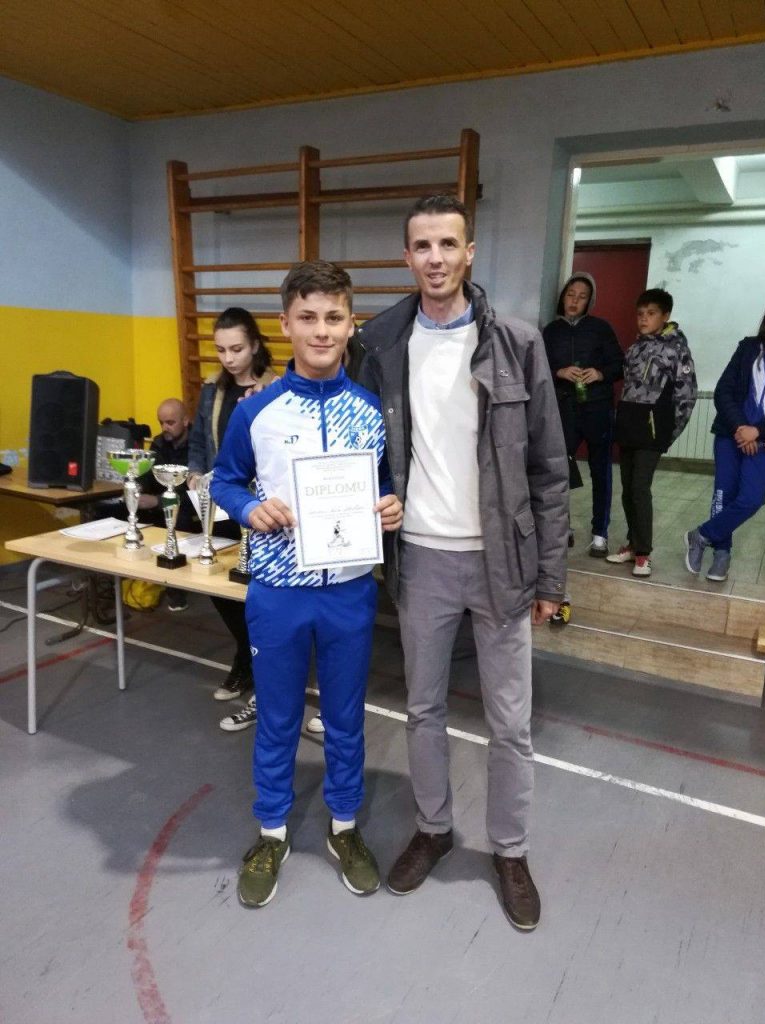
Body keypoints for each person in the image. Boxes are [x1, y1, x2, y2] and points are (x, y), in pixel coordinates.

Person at [359, 194, 569, 931]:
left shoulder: (517, 342)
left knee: (511, 722)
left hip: (501, 562)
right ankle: (434, 827)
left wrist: (550, 576)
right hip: (420, 559)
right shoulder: (381, 342)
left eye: (448, 244)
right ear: (406, 256)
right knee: (423, 708)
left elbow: (549, 469)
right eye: (422, 246)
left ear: (469, 252)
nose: (436, 258)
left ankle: (510, 850)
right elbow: (360, 447)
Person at [211, 261, 403, 908]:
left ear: (351, 325)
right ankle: (272, 831)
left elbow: (384, 484)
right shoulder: (256, 411)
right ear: (285, 325)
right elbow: (225, 480)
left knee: (346, 718)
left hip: (349, 590)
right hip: (278, 590)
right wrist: (248, 508)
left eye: (333, 318)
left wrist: (391, 505)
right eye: (308, 318)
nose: (321, 330)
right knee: (278, 717)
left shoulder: (370, 412)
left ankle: (344, 827)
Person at [187, 307, 278, 716]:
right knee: (219, 587)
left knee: (257, 595)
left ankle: (259, 667)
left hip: (260, 511)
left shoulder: (275, 388)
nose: (228, 358)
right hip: (218, 504)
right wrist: (194, 474)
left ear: (255, 345)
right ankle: (246, 656)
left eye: (237, 349)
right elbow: (198, 441)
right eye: (221, 350)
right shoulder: (212, 390)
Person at [608, 288, 697, 577]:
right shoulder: (635, 348)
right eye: (640, 314)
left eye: (651, 313)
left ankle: (644, 553)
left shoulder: (676, 349)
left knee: (640, 488)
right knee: (627, 489)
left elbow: (687, 395)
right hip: (629, 426)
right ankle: (633, 543)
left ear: (665, 316)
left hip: (653, 431)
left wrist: (667, 434)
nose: (644, 319)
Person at [684, 304, 765, 583]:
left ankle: (701, 535)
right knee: (723, 495)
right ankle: (722, 554)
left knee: (752, 499)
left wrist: (757, 432)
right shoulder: (748, 348)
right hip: (731, 434)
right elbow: (723, 392)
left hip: (763, 442)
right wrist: (741, 428)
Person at [543, 273, 624, 558]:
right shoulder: (551, 331)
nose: (574, 301)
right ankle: (561, 527)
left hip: (597, 408)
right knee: (558, 471)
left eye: (582, 297)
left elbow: (619, 364)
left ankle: (600, 533)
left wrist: (600, 373)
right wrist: (559, 371)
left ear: (589, 302)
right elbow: (537, 366)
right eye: (570, 294)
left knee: (601, 471)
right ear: (562, 297)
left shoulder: (601, 329)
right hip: (564, 408)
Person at [136, 398, 195, 612]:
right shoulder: (159, 443)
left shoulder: (197, 445)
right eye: (161, 422)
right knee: (131, 511)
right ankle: (139, 576)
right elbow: (147, 473)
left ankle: (176, 591)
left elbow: (193, 491)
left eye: (170, 422)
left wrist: (157, 501)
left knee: (180, 518)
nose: (164, 428)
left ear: (185, 421)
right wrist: (137, 489)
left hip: (189, 505)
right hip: (164, 501)